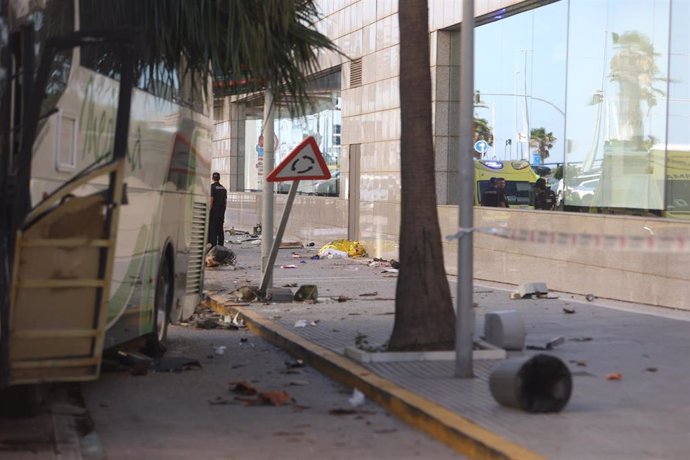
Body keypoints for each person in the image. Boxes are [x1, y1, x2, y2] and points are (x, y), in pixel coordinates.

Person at [208, 172, 227, 247]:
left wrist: (209, 211)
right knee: (220, 230)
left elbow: (211, 200)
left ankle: (213, 246)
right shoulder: (223, 189)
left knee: (213, 230)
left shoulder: (211, 187)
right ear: (219, 178)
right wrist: (223, 212)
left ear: (213, 178)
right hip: (221, 213)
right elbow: (225, 203)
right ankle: (221, 246)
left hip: (213, 213)